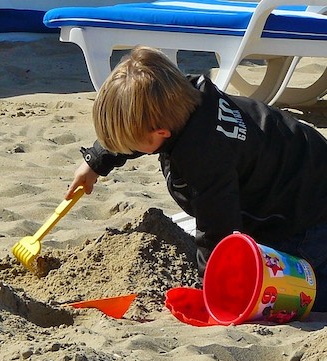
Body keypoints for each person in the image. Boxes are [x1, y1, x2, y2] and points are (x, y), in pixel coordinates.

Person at [66, 45, 327, 311]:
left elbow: (217, 229)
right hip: (302, 162)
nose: (125, 147)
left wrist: (211, 289)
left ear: (161, 133)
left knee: (299, 292)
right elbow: (137, 126)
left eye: (129, 143)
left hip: (306, 210)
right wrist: (96, 161)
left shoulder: (204, 157)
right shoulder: (184, 96)